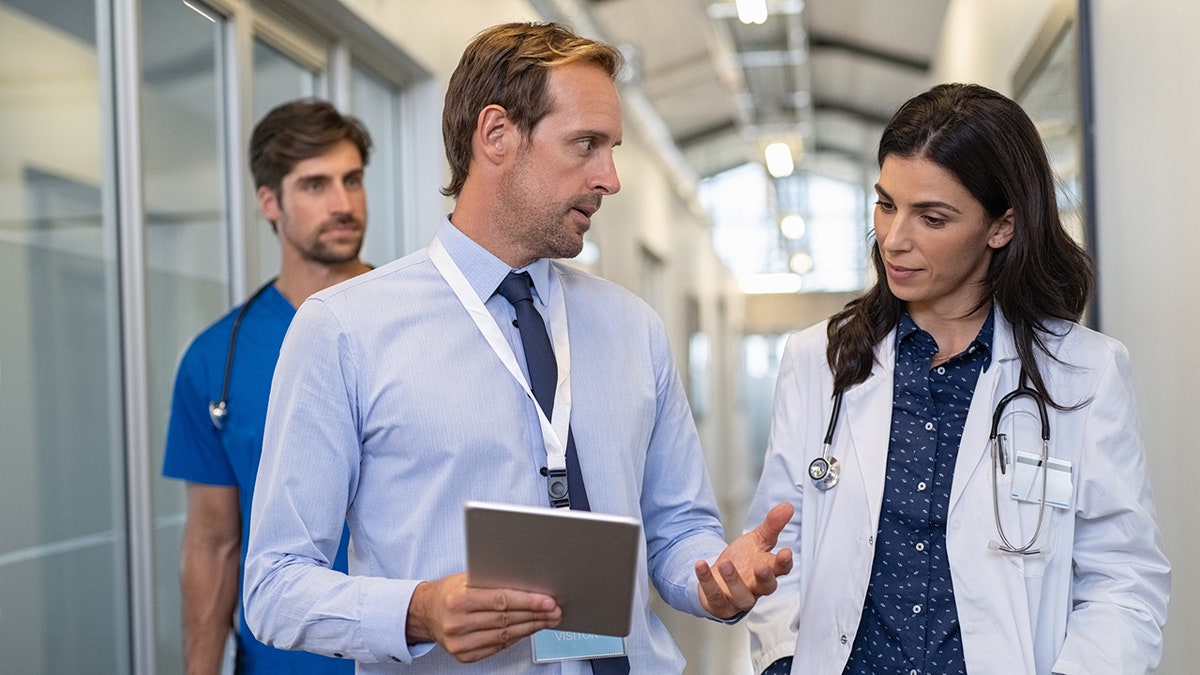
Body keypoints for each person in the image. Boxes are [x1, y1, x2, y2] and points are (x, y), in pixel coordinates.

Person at [242, 21, 793, 674]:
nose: (610, 177)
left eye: (611, 147)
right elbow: (273, 583)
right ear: (497, 135)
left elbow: (677, 529)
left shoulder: (633, 328)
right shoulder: (344, 329)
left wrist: (715, 574)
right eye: (586, 144)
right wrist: (419, 607)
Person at [744, 83, 1171, 675]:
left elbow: (1124, 580)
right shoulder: (818, 361)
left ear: (1001, 227)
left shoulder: (1084, 373)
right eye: (886, 204)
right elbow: (776, 543)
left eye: (932, 217)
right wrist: (781, 662)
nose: (894, 239)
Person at [163, 98, 373, 674]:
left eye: (351, 180)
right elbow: (213, 542)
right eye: (314, 185)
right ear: (269, 203)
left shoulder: (419, 323)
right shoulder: (217, 360)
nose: (342, 203)